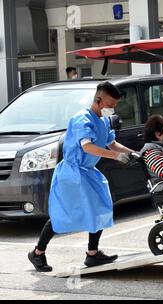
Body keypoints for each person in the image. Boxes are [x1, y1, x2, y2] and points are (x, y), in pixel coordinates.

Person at [28, 81, 135, 272]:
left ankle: (92, 255)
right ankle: (37, 253)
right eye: (111, 104)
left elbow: (112, 143)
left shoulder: (102, 120)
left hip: (87, 172)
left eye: (115, 105)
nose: (113, 108)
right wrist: (117, 156)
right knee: (63, 214)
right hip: (72, 172)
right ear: (98, 99)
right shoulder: (82, 119)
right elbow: (88, 147)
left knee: (100, 207)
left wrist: (134, 153)